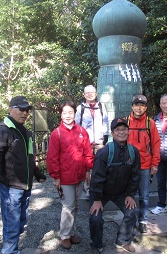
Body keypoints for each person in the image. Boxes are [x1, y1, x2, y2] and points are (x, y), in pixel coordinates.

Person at [0, 96, 46, 254]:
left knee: (20, 222)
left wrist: (38, 173)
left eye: (27, 110)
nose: (25, 113)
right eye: (21, 109)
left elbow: (30, 157)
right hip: (10, 185)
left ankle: (11, 247)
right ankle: (9, 251)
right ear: (10, 109)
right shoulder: (3, 130)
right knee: (12, 223)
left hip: (25, 185)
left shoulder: (26, 132)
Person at [46, 101, 94, 250]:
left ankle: (71, 232)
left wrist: (88, 170)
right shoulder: (57, 133)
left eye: (70, 112)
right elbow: (52, 157)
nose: (68, 116)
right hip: (65, 178)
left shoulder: (81, 131)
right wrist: (56, 177)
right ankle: (65, 236)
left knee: (76, 205)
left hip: (80, 176)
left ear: (75, 114)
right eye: (65, 113)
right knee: (68, 206)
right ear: (61, 114)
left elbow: (88, 153)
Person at [89, 118, 140, 254]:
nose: (121, 132)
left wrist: (130, 195)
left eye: (124, 129)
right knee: (96, 218)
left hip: (121, 193)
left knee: (133, 211)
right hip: (101, 194)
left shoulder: (134, 152)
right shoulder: (104, 153)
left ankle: (123, 240)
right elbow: (96, 178)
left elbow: (135, 176)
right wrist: (97, 199)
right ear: (112, 133)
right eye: (118, 130)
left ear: (128, 131)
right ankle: (96, 245)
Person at [125, 94, 161, 234]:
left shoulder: (149, 123)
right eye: (136, 105)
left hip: (145, 165)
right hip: (129, 165)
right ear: (132, 106)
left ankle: (143, 220)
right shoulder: (126, 122)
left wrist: (155, 163)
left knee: (144, 195)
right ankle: (130, 219)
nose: (139, 108)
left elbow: (156, 144)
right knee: (129, 194)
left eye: (142, 105)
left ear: (145, 107)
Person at [75, 85, 109, 196]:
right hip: (86, 143)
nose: (90, 94)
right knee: (87, 167)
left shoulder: (101, 106)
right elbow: (77, 125)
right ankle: (88, 189)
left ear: (96, 93)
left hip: (99, 142)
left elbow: (105, 122)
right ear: (84, 95)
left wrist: (105, 138)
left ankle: (100, 187)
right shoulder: (81, 108)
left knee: (100, 166)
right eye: (87, 92)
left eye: (92, 92)